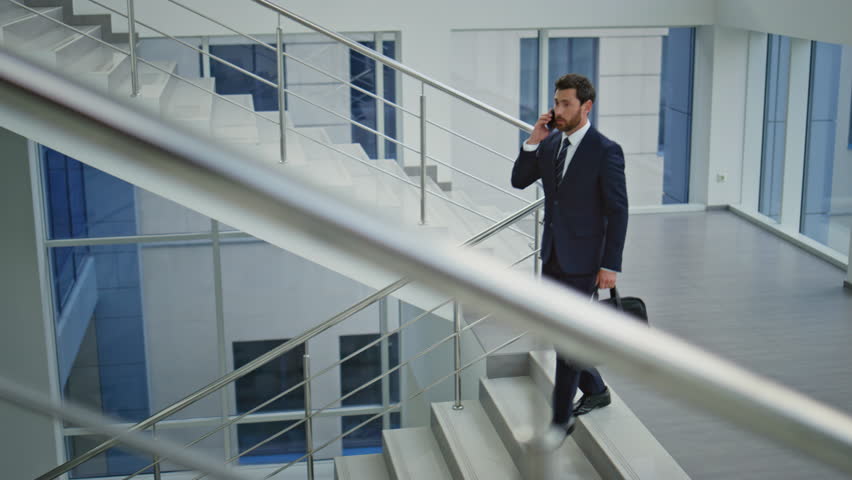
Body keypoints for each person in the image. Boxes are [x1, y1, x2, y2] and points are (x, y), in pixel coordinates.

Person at [511, 73, 628, 438]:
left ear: (586, 106)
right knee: (558, 332)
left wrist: (610, 265)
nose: (558, 110)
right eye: (556, 103)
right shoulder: (550, 145)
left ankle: (560, 421)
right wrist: (533, 140)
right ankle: (595, 388)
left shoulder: (606, 151)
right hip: (552, 256)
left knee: (567, 336)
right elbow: (519, 180)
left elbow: (618, 211)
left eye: (566, 104)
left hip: (586, 261)